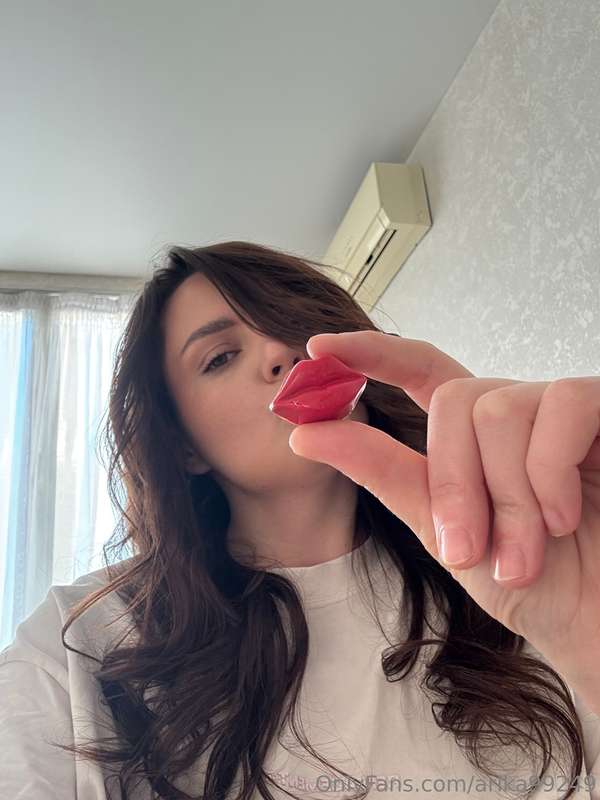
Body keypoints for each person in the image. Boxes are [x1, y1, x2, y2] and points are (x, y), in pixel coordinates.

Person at [1, 241, 599, 800]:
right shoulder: (78, 644)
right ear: (184, 447)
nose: (282, 353)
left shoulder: (521, 577)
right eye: (220, 357)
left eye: (295, 323)